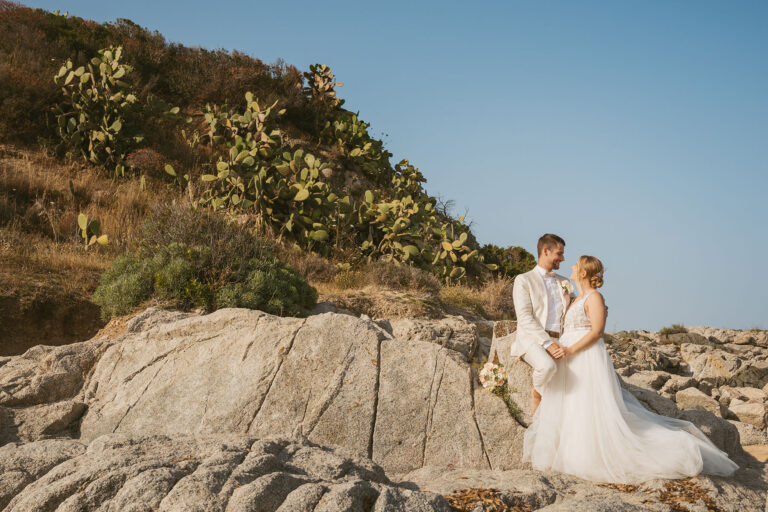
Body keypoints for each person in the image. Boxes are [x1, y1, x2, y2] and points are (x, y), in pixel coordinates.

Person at [523, 255, 739, 484]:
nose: (572, 267)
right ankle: (567, 451)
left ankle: (597, 455)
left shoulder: (595, 297)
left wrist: (571, 350)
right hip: (570, 358)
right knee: (571, 403)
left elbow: (597, 332)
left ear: (584, 273)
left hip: (584, 357)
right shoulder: (576, 299)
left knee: (588, 405)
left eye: (576, 265)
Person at [511, 234, 575, 414]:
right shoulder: (523, 280)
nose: (562, 258)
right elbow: (524, 317)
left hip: (562, 339)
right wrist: (547, 343)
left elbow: (571, 310)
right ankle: (537, 393)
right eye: (559, 254)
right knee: (547, 366)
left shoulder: (564, 282)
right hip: (533, 340)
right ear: (545, 251)